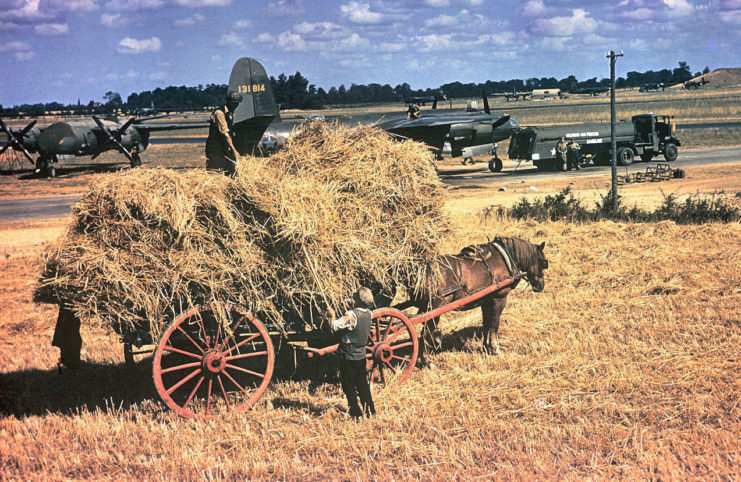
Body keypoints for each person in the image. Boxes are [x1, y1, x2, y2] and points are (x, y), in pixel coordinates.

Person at [327, 287, 376, 419]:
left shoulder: (351, 315)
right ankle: (370, 412)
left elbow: (334, 326)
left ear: (358, 299)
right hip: (361, 355)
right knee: (362, 385)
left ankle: (356, 413)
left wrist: (331, 316)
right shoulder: (369, 314)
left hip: (348, 356)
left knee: (349, 386)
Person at [206, 91, 243, 175]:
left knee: (231, 171)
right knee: (216, 172)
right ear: (228, 102)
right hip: (215, 147)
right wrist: (234, 150)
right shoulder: (219, 113)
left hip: (224, 146)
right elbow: (225, 134)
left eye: (237, 104)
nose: (236, 106)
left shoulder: (231, 112)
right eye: (234, 104)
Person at [52, 305, 82, 370]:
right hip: (68, 310)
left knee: (70, 337)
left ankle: (71, 363)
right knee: (68, 337)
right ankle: (70, 362)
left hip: (70, 310)